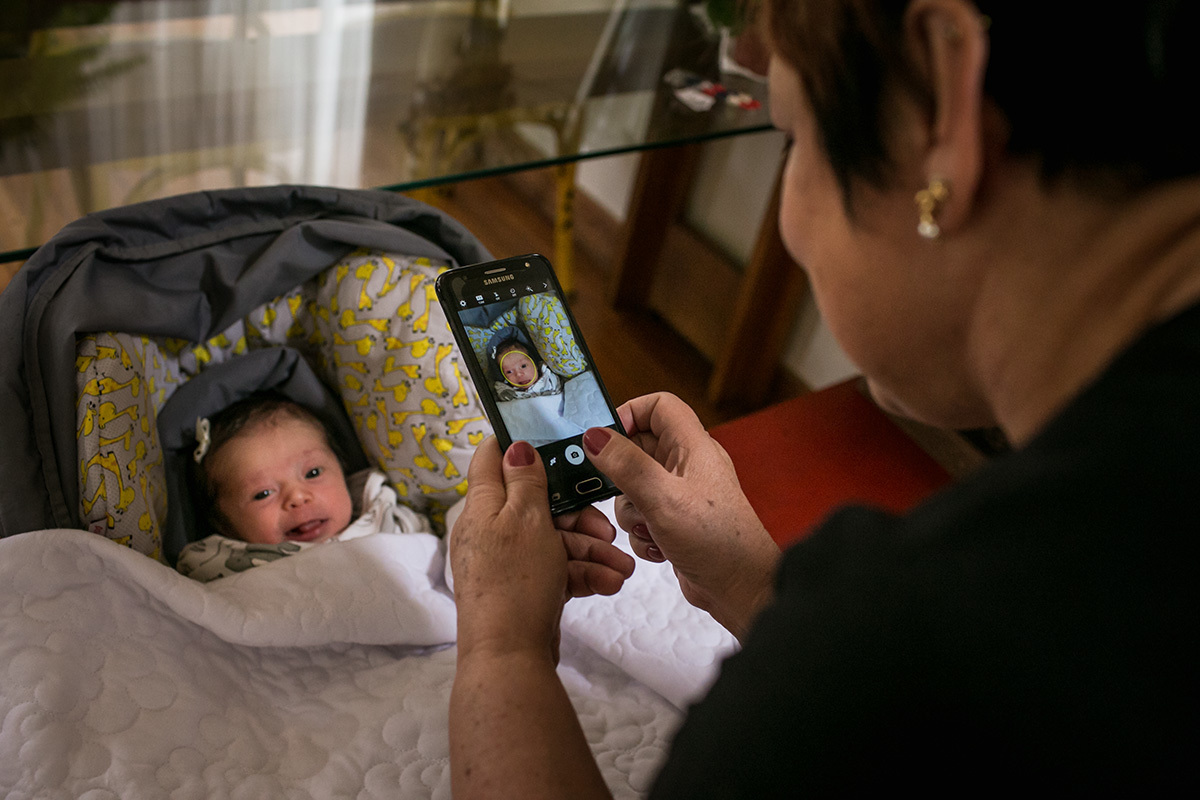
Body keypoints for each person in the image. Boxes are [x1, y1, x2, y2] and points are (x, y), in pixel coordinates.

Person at [447, 0, 1200, 795]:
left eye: (792, 138)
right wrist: (748, 580)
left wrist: (500, 647)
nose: (792, 223)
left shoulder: (910, 641)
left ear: (939, 120)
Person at [176, 394, 426, 581]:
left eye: (313, 473)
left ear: (342, 468)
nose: (297, 496)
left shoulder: (382, 514)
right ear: (224, 524)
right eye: (263, 493)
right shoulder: (215, 565)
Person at [491, 338, 562, 401]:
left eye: (523, 366)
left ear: (535, 364)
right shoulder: (506, 392)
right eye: (509, 372)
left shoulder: (548, 377)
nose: (518, 374)